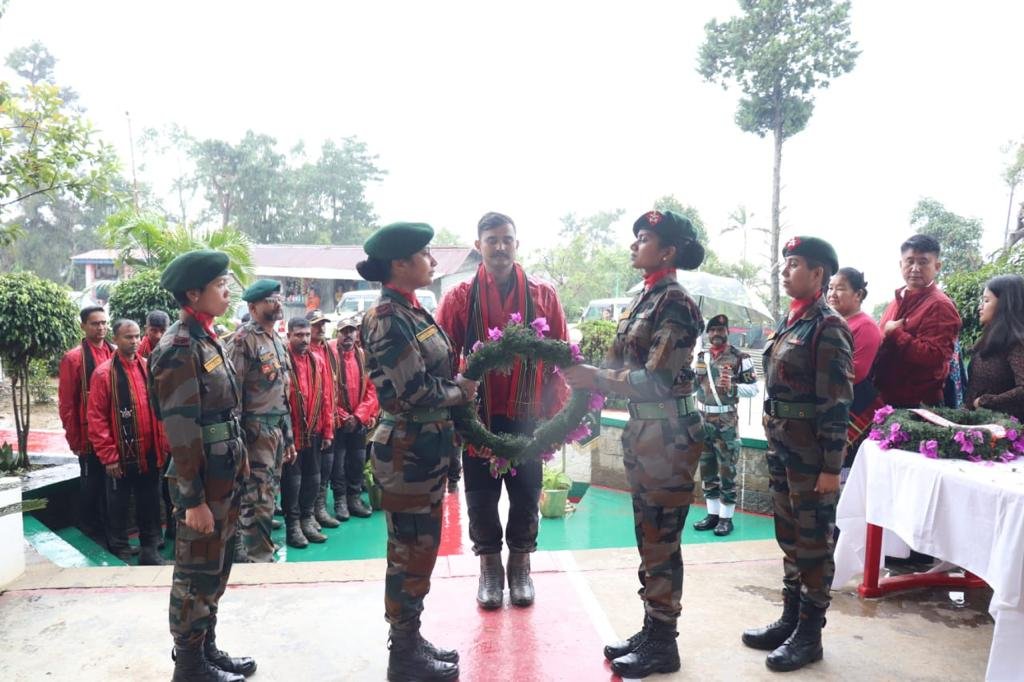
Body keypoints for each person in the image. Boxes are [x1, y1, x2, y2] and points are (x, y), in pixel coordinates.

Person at [563, 209, 705, 678]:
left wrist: (597, 376)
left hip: (668, 434)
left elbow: (658, 379)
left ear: (667, 251)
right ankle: (652, 627)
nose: (633, 245)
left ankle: (664, 642)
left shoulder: (676, 304)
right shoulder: (644, 300)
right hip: (646, 433)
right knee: (649, 536)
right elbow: (622, 360)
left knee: (662, 538)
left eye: (642, 238)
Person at [358, 222, 478, 681]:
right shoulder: (388, 318)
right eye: (425, 254)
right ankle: (403, 655)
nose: (431, 261)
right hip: (407, 452)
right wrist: (460, 391)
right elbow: (411, 392)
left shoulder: (412, 311)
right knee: (409, 552)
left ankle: (411, 639)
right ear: (400, 264)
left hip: (424, 451)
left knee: (421, 551)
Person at [435, 210, 569, 610]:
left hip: (529, 416)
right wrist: (455, 406)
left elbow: (563, 354)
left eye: (506, 239)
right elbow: (444, 358)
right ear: (479, 246)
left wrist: (557, 414)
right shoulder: (460, 298)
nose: (499, 246)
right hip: (479, 416)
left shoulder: (543, 294)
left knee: (527, 494)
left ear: (516, 243)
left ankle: (521, 566)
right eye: (491, 240)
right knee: (480, 495)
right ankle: (490, 568)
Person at [741, 236, 853, 673]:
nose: (785, 272)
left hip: (811, 457)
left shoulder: (828, 327)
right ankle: (790, 619)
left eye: (793, 264)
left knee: (814, 545)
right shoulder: (792, 322)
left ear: (818, 274)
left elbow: (837, 402)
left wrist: (830, 467)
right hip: (783, 449)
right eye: (784, 264)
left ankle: (810, 635)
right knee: (790, 538)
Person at [149, 250, 255, 681]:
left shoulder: (208, 338)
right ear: (194, 293)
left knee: (216, 567)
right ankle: (190, 664)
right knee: (194, 573)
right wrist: (193, 498)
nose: (227, 290)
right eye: (220, 284)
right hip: (201, 482)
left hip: (223, 474)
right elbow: (182, 430)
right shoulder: (179, 347)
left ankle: (206, 648)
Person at [225, 279, 296, 563]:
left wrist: (288, 436)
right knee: (256, 495)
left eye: (278, 298)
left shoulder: (275, 340)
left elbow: (283, 392)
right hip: (254, 430)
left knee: (269, 493)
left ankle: (261, 545)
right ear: (253, 308)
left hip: (275, 428)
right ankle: (257, 555)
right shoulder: (243, 341)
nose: (277, 303)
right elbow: (232, 395)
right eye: (269, 299)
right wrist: (239, 441)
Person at [87, 319, 167, 565]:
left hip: (149, 453)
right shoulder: (103, 374)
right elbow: (97, 419)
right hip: (120, 457)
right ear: (116, 338)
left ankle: (149, 551)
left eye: (135, 337)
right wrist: (109, 456)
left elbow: (158, 409)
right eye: (126, 337)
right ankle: (119, 550)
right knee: (118, 506)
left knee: (150, 504)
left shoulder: (147, 367)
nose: (132, 342)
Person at [874, 234, 961, 408]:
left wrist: (896, 334)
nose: (915, 268)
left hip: (918, 405)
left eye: (923, 262)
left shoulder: (940, 305)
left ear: (937, 266)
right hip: (887, 398)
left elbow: (936, 356)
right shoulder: (896, 300)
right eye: (909, 261)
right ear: (901, 264)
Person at [692, 314, 758, 537]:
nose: (716, 334)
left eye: (720, 330)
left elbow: (754, 389)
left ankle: (726, 517)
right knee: (707, 467)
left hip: (726, 421)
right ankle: (712, 514)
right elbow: (694, 385)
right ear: (708, 334)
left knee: (727, 468)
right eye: (712, 331)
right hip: (703, 419)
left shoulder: (741, 357)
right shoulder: (701, 356)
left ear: (727, 332)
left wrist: (734, 385)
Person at [58, 306, 115, 547]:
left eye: (103, 323)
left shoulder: (114, 352)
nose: (100, 327)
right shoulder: (74, 358)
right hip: (88, 435)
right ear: (83, 326)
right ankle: (91, 531)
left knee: (113, 486)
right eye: (94, 323)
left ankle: (109, 531)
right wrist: (75, 440)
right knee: (91, 484)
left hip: (115, 434)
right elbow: (67, 403)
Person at [283, 317, 333, 548]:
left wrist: (328, 430)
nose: (304, 339)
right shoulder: (282, 359)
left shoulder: (318, 360)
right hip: (290, 433)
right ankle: (293, 526)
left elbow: (326, 398)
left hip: (314, 430)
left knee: (313, 478)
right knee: (292, 482)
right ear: (289, 336)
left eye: (306, 335)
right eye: (298, 335)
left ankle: (307, 518)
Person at [826, 267, 882, 471]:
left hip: (851, 403)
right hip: (830, 401)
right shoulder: (832, 322)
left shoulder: (865, 326)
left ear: (858, 294)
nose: (832, 293)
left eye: (840, 288)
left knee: (842, 473)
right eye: (830, 287)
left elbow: (856, 372)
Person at [325, 316, 379, 521]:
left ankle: (354, 498)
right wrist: (342, 415)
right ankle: (340, 500)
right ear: (337, 334)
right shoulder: (329, 355)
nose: (347, 335)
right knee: (337, 464)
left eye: (351, 331)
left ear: (356, 333)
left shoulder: (364, 357)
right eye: (343, 331)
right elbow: (326, 389)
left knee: (357, 461)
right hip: (338, 422)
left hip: (358, 421)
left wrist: (359, 416)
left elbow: (372, 390)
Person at [966, 274, 1024, 420]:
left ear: (1004, 304)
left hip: (1007, 431)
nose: (980, 306)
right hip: (979, 427)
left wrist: (985, 401)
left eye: (986, 300)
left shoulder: (1017, 343)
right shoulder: (989, 339)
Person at [305, 309, 341, 530]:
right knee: (309, 473)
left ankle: (319, 509)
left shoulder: (328, 351)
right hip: (309, 422)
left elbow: (330, 389)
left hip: (327, 418)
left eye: (322, 324)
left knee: (325, 469)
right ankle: (306, 516)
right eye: (316, 324)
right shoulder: (305, 352)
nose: (320, 328)